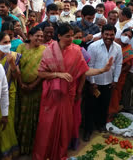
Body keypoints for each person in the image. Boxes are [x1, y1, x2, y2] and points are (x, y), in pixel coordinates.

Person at [32, 23, 113, 160]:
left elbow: (85, 70)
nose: (70, 39)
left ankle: (59, 154)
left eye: (71, 36)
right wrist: (58, 74)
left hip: (68, 96)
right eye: (67, 36)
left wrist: (102, 70)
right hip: (51, 96)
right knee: (47, 126)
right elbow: (41, 73)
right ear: (59, 36)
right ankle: (42, 155)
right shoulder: (48, 51)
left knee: (64, 127)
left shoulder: (76, 51)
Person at [84, 24, 122, 141]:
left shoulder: (117, 47)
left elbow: (119, 64)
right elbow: (90, 65)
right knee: (90, 107)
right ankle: (88, 130)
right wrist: (92, 82)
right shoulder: (93, 46)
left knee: (104, 106)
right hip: (95, 83)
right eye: (106, 34)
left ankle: (100, 125)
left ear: (114, 35)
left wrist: (115, 80)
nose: (109, 37)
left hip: (108, 82)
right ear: (102, 34)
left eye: (111, 34)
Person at [16, 27, 46, 155]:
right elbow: (16, 66)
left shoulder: (45, 50)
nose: (39, 38)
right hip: (21, 87)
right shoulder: (21, 48)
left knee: (33, 117)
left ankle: (30, 146)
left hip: (36, 88)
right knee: (20, 116)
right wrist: (21, 83)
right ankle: (19, 146)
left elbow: (45, 70)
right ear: (30, 36)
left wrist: (34, 84)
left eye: (41, 36)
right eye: (37, 36)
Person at [0, 33, 20, 159]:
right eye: (4, 42)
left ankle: (8, 152)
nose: (8, 45)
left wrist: (12, 64)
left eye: (9, 42)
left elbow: (17, 77)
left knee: (7, 124)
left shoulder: (14, 56)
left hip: (9, 94)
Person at [108, 28, 133, 119]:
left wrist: (117, 72)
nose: (127, 37)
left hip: (119, 76)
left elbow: (128, 65)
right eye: (125, 34)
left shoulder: (128, 49)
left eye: (129, 36)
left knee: (115, 95)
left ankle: (112, 113)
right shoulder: (113, 42)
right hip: (106, 73)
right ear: (121, 34)